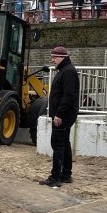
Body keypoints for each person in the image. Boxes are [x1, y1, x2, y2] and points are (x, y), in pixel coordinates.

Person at [40, 46, 79, 187]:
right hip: (64, 115)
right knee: (64, 143)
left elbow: (68, 96)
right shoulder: (66, 70)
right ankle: (66, 174)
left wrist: (59, 114)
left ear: (62, 57)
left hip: (63, 116)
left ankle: (55, 177)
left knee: (57, 144)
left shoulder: (67, 72)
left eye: (54, 57)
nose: (52, 60)